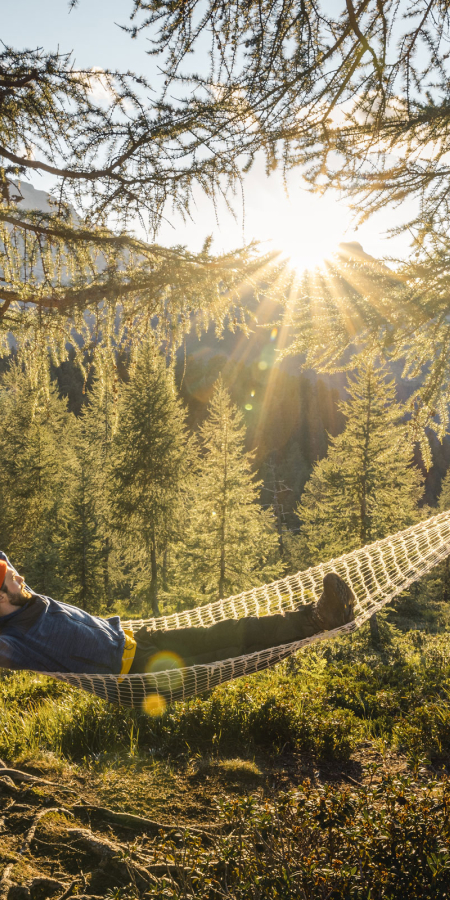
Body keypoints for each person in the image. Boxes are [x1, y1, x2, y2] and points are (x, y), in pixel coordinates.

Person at [0, 553, 355, 678]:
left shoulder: (27, 600)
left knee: (231, 630)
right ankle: (317, 625)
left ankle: (314, 616)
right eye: (9, 578)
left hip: (137, 640)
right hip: (133, 676)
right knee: (231, 657)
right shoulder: (17, 642)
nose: (18, 574)